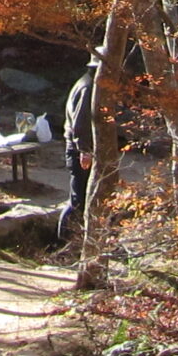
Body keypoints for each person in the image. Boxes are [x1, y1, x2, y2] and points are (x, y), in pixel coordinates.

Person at [59, 56, 100, 245]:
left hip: (82, 148)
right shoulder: (89, 87)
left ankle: (80, 240)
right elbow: (81, 123)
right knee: (79, 198)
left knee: (82, 196)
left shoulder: (91, 84)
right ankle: (65, 241)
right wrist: (85, 150)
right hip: (79, 149)